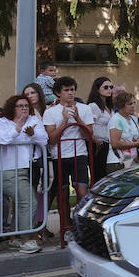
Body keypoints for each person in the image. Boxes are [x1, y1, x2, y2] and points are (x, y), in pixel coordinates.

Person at [0, 94, 45, 253]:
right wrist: (16, 129)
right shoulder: (0, 122)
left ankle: (15, 238)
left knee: (22, 203)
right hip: (9, 170)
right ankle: (26, 240)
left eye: (26, 106)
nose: (24, 109)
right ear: (12, 108)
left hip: (29, 169)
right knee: (28, 201)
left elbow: (44, 139)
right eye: (20, 106)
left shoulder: (34, 121)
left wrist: (33, 135)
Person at [43, 76, 94, 230]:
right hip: (59, 156)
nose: (70, 93)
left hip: (79, 154)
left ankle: (82, 225)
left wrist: (78, 118)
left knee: (82, 191)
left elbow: (89, 135)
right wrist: (65, 120)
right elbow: (51, 139)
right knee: (62, 194)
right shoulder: (51, 112)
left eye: (72, 90)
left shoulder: (84, 109)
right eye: (66, 90)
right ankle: (65, 226)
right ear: (58, 93)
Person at [84, 77, 116, 183]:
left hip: (109, 144)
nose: (109, 90)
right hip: (98, 145)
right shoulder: (93, 106)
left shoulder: (109, 106)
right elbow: (87, 126)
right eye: (105, 87)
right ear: (97, 89)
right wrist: (97, 142)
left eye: (111, 87)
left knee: (107, 175)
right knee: (99, 175)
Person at [107, 91, 139, 173]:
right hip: (118, 162)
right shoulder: (116, 120)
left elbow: (133, 138)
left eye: (134, 103)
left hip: (132, 161)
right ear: (121, 105)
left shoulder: (133, 119)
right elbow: (115, 143)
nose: (133, 106)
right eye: (130, 104)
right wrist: (135, 144)